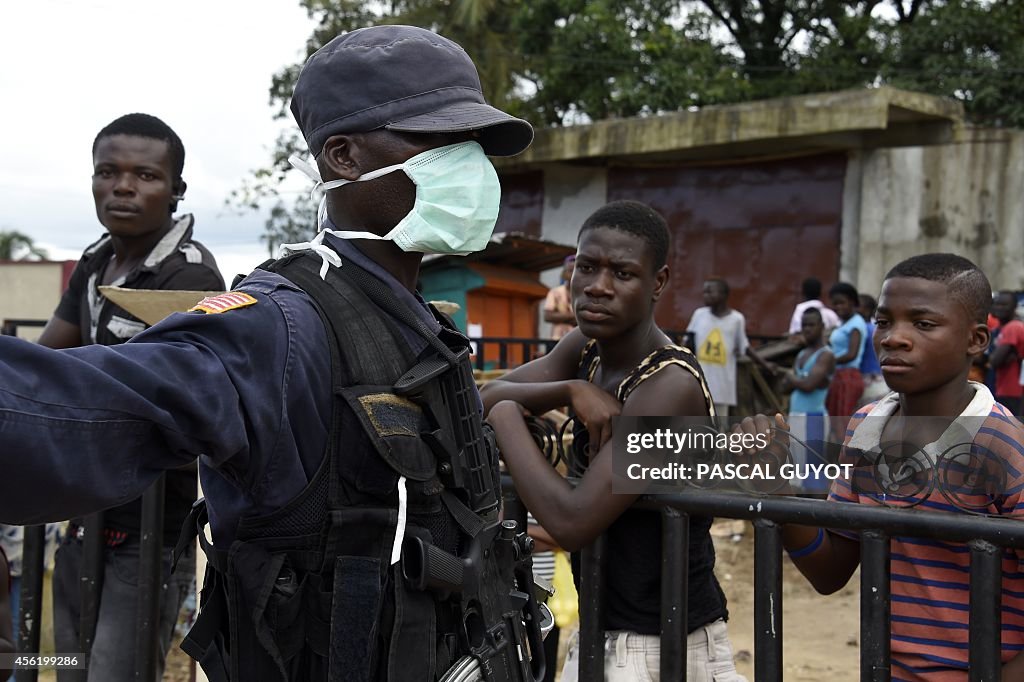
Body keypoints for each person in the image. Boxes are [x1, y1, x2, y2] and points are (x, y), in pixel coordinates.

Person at [0, 25, 534, 682]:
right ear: (342, 155)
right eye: (442, 141)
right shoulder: (278, 326)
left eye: (474, 143)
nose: (471, 164)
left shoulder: (414, 315)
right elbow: (72, 412)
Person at [484, 200, 745, 682]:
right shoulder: (583, 350)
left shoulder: (670, 384)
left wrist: (506, 416)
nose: (597, 287)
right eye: (586, 267)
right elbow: (481, 395)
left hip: (664, 641)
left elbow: (571, 520)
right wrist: (567, 389)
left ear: (658, 283)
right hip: (604, 625)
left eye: (621, 273)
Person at [742, 253, 1024, 680]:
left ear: (976, 340)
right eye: (884, 321)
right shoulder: (865, 425)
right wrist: (775, 485)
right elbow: (831, 570)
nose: (894, 338)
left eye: (923, 324)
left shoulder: (1002, 444)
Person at [31, 113, 223, 682]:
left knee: (111, 675)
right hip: (82, 522)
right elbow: (47, 361)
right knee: (64, 665)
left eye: (144, 175)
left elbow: (151, 395)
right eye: (108, 172)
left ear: (174, 190)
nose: (122, 187)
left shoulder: (187, 277)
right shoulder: (94, 264)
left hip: (148, 535)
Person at [687, 277, 775, 417]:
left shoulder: (736, 319)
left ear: (723, 295)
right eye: (704, 292)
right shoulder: (699, 315)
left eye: (710, 292)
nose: (706, 295)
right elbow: (688, 342)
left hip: (722, 387)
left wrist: (765, 365)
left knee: (718, 428)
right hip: (699, 384)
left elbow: (744, 347)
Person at [780, 307, 834, 494]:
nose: (807, 329)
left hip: (814, 417)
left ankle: (817, 517)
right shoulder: (802, 354)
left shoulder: (826, 354)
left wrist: (791, 377)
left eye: (811, 325)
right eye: (804, 325)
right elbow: (786, 387)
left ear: (822, 326)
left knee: (814, 472)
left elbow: (809, 384)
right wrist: (798, 380)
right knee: (796, 468)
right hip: (796, 415)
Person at [824, 282, 867, 441]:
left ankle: (847, 463)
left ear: (852, 302)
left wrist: (828, 360)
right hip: (838, 376)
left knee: (843, 422)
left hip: (847, 377)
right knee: (835, 421)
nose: (837, 307)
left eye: (841, 302)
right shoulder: (843, 323)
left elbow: (851, 354)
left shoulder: (856, 323)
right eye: (834, 304)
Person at [989, 290, 1024, 416]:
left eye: (1004, 305)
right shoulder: (998, 329)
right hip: (1001, 388)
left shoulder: (1013, 327)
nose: (999, 308)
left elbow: (994, 361)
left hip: (1011, 390)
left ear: (1014, 307)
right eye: (997, 304)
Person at [857, 293, 887, 405]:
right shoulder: (876, 328)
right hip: (880, 380)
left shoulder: (862, 329)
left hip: (867, 381)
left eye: (857, 305)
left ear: (867, 309)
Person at [543, 255, 577, 340]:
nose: (573, 274)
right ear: (564, 273)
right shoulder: (555, 292)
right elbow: (548, 316)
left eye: (575, 270)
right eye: (570, 271)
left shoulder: (586, 292)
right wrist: (574, 316)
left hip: (579, 340)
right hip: (557, 339)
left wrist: (560, 317)